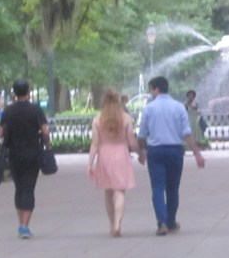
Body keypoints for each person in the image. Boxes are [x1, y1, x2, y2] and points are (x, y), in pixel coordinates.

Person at [137, 76, 206, 235]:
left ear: (156, 89)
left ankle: (161, 222)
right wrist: (197, 154)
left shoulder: (149, 108)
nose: (151, 93)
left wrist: (141, 152)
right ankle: (171, 221)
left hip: (155, 151)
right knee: (173, 188)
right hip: (175, 150)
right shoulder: (179, 107)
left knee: (157, 187)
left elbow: (142, 135)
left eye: (151, 89)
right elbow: (187, 133)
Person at [0, 79, 50, 239]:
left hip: (14, 154)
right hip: (32, 153)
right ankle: (24, 226)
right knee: (29, 187)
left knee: (19, 187)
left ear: (14, 92)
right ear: (28, 91)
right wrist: (47, 145)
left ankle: (21, 223)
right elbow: (45, 131)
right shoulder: (36, 110)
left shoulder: (8, 111)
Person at [88, 89, 140, 237]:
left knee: (108, 192)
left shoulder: (98, 119)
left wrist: (90, 163)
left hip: (104, 155)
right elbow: (131, 141)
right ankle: (118, 224)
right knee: (120, 191)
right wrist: (140, 153)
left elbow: (95, 144)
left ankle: (112, 224)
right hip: (121, 154)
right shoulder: (126, 118)